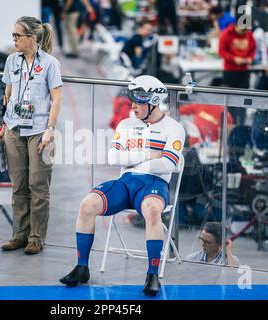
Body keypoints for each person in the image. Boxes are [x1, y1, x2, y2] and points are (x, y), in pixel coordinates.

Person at [59, 75, 186, 297]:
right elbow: (113, 158)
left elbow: (167, 163)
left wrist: (132, 159)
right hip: (125, 183)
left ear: (154, 101)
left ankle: (152, 274)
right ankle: (82, 267)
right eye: (132, 100)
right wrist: (147, 154)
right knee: (87, 204)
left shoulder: (174, 128)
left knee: (153, 211)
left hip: (154, 185)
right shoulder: (126, 124)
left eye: (138, 101)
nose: (133, 105)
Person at [0, 16, 63, 254]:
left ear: (32, 38)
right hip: (14, 129)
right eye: (13, 35)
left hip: (39, 132)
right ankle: (21, 234)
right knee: (19, 185)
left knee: (38, 185)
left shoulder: (49, 64)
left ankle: (36, 237)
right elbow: (8, 93)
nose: (14, 39)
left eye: (18, 36)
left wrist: (50, 130)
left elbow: (56, 99)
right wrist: (4, 123)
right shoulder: (11, 61)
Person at [218, 22, 256, 125]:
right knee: (229, 100)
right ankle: (229, 124)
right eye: (241, 30)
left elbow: (253, 49)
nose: (243, 33)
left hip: (244, 72)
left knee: (243, 100)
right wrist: (234, 59)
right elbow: (221, 51)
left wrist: (250, 59)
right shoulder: (226, 34)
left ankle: (241, 124)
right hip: (230, 71)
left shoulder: (248, 34)